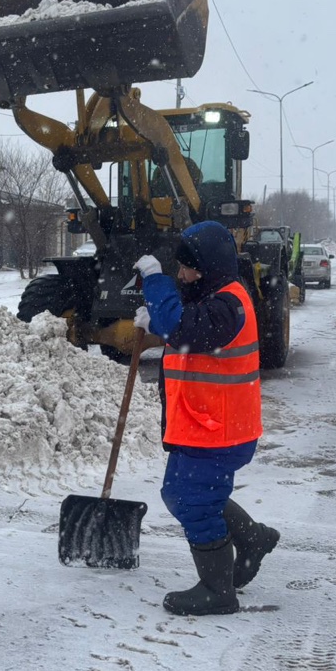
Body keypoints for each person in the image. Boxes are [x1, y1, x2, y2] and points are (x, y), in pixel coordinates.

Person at [133, 221, 279, 616]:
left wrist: (156, 283)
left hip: (221, 429)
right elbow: (183, 334)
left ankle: (219, 589)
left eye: (186, 268)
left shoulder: (228, 304)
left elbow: (184, 327)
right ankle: (252, 539)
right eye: (178, 269)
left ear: (209, 265)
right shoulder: (213, 296)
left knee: (194, 501)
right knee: (179, 494)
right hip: (202, 426)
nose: (181, 275)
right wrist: (156, 326)